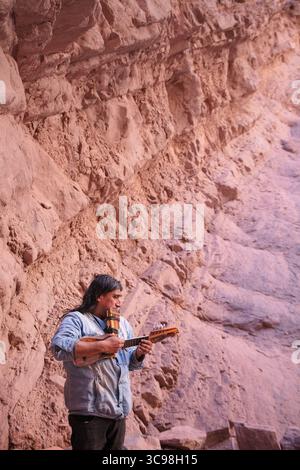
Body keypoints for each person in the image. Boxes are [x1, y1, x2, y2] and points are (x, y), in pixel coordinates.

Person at [51, 274, 152, 450]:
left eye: (121, 297)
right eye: (115, 297)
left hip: (118, 412)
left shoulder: (123, 325)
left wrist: (139, 353)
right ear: (99, 296)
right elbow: (59, 348)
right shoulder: (77, 319)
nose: (119, 303)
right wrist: (102, 345)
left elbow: (128, 363)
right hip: (89, 414)